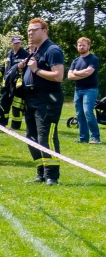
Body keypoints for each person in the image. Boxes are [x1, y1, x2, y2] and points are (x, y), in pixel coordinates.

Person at [21, 18, 66, 184]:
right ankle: (41, 173)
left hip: (48, 99)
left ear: (44, 31)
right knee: (31, 136)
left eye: (34, 30)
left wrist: (36, 70)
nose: (30, 33)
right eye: (29, 30)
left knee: (46, 136)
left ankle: (52, 176)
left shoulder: (52, 50)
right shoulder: (35, 51)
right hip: (31, 98)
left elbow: (59, 76)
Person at [70, 36, 99, 144]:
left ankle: (96, 137)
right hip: (78, 90)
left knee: (88, 112)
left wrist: (76, 72)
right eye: (79, 45)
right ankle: (83, 138)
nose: (81, 47)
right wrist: (81, 74)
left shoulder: (93, 59)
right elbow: (69, 76)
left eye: (83, 45)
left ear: (88, 46)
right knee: (80, 114)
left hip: (90, 90)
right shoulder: (76, 60)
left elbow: (89, 72)